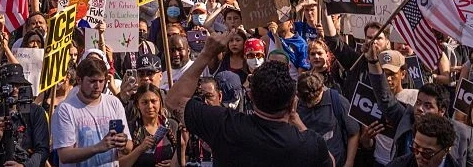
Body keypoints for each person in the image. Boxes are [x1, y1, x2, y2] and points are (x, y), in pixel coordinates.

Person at [165, 31, 333, 167]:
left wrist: (206, 54)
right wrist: (298, 123)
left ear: (251, 96)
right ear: (293, 102)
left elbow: (173, 100)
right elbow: (330, 162)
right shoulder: (310, 145)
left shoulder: (224, 125)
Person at [365, 47, 473, 167]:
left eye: (428, 105)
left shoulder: (463, 134)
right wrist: (373, 61)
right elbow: (384, 97)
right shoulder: (406, 118)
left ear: (441, 111)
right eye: (418, 102)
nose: (420, 108)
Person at [51, 55, 131, 167]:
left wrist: (123, 143)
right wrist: (98, 148)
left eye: (101, 81)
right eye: (92, 81)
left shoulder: (114, 103)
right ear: (79, 80)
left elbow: (129, 146)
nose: (97, 86)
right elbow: (65, 155)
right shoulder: (65, 109)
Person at [0, 64, 49, 167]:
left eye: (18, 85)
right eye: (10, 85)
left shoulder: (36, 112)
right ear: (1, 88)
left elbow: (43, 151)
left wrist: (24, 166)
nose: (15, 89)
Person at [296, 70, 359, 167]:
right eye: (306, 101)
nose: (309, 105)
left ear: (321, 89)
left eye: (314, 100)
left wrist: (349, 162)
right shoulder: (295, 107)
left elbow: (354, 133)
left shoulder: (337, 101)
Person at [121, 83, 180, 167]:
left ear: (160, 102)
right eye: (144, 102)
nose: (150, 106)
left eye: (153, 101)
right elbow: (120, 164)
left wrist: (174, 164)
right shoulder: (130, 128)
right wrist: (140, 148)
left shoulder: (172, 125)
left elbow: (185, 156)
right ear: (138, 105)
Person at [384, 114, 456, 167]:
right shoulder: (398, 165)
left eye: (427, 152)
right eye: (416, 148)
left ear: (446, 150)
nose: (418, 156)